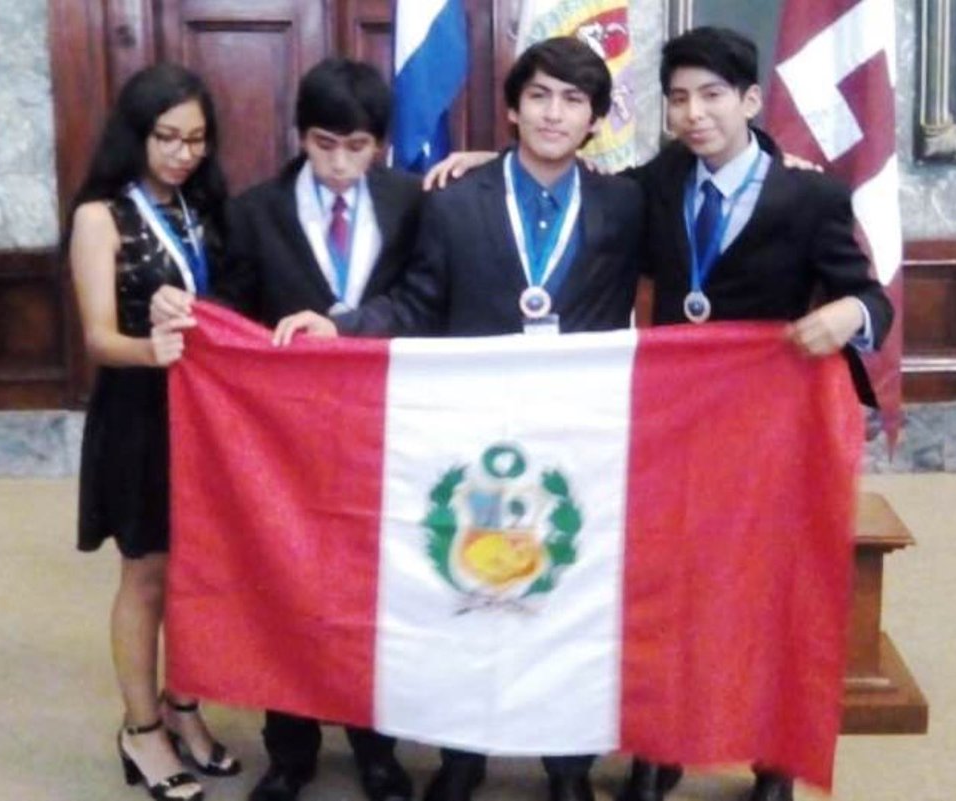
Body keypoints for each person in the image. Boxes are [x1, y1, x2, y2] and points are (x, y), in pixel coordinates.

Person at [420, 25, 893, 801]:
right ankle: (660, 747)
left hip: (769, 427)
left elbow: (870, 295)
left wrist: (851, 313)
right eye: (679, 99)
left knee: (765, 587)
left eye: (712, 96)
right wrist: (487, 162)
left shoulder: (810, 195)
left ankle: (771, 758)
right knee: (667, 586)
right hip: (675, 423)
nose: (695, 113)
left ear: (750, 100)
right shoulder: (661, 182)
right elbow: (565, 178)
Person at [273, 38, 644, 801]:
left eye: (573, 100)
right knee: (471, 593)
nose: (553, 113)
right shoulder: (453, 201)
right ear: (511, 108)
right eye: (538, 96)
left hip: (580, 436)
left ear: (595, 119)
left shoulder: (625, 204)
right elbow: (415, 304)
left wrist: (786, 156)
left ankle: (566, 765)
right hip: (476, 432)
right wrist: (339, 326)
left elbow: (715, 170)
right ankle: (462, 755)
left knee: (566, 597)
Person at [148, 57, 423, 801]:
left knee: (373, 585)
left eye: (357, 147)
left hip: (381, 427)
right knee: (285, 579)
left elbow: (421, 298)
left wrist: (348, 328)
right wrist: (187, 313)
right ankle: (290, 749)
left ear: (381, 145)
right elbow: (232, 309)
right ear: (301, 135)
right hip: (284, 437)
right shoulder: (255, 211)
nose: (340, 164)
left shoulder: (409, 201)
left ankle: (376, 748)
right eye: (325, 144)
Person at [67, 63, 240, 801]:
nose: (182, 153)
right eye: (167, 137)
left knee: (200, 574)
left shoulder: (208, 207)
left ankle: (183, 706)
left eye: (196, 139)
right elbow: (98, 338)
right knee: (146, 574)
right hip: (139, 413)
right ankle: (140, 729)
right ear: (136, 135)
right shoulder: (100, 216)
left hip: (210, 416)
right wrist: (151, 348)